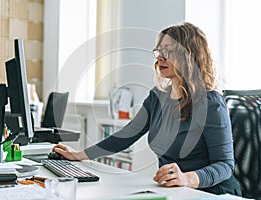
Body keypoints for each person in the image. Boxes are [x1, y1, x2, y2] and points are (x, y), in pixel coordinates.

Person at [52, 22, 242, 196]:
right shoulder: (157, 97)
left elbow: (224, 165)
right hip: (176, 192)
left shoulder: (210, 102)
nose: (160, 57)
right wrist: (78, 155)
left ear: (189, 55)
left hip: (212, 192)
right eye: (159, 51)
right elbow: (125, 136)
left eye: (169, 51)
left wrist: (187, 178)